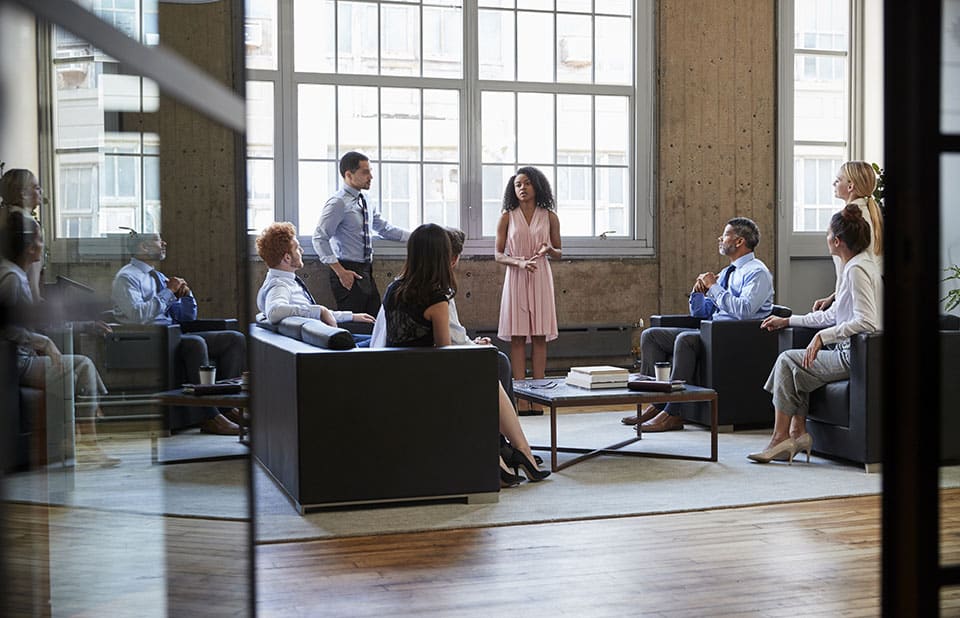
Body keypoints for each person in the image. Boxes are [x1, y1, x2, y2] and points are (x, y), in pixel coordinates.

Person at [383, 223, 549, 485]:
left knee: (486, 372)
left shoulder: (393, 290)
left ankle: (510, 455)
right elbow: (446, 354)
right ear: (441, 255)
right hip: (426, 381)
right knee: (486, 376)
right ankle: (516, 453)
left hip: (400, 375)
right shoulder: (436, 297)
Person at [750, 204, 882, 463]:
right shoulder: (856, 265)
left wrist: (824, 336)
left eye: (827, 234)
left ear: (837, 241)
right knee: (795, 367)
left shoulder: (856, 270)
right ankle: (797, 433)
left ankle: (781, 439)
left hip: (854, 355)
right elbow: (833, 316)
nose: (826, 239)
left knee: (788, 360)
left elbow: (868, 322)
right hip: (850, 350)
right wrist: (788, 321)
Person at [624, 216, 774, 432]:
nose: (720, 239)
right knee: (651, 335)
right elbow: (703, 313)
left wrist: (713, 287)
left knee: (686, 339)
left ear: (739, 241)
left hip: (734, 337)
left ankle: (673, 414)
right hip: (712, 331)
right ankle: (657, 404)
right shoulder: (727, 273)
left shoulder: (757, 272)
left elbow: (744, 311)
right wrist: (698, 293)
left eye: (725, 235)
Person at [0, 210, 118, 467]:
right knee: (77, 370)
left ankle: (86, 431)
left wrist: (86, 324)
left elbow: (42, 321)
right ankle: (86, 437)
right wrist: (44, 343)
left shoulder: (18, 274)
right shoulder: (10, 278)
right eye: (41, 239)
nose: (44, 246)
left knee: (82, 365)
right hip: (15, 363)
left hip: (25, 358)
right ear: (30, 246)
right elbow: (7, 327)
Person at [111, 231, 244, 435]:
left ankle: (226, 408)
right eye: (157, 240)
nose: (164, 243)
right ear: (143, 247)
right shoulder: (126, 277)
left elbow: (186, 319)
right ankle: (209, 417)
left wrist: (187, 295)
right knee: (195, 343)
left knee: (234, 339)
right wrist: (168, 292)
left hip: (174, 335)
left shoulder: (160, 277)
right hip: (149, 340)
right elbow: (138, 316)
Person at [312, 151, 410, 328]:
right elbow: (319, 238)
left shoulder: (366, 199)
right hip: (347, 270)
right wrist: (341, 272)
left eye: (370, 171)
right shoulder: (338, 203)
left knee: (375, 323)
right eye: (365, 172)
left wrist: (415, 237)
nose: (371, 176)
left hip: (366, 271)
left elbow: (383, 228)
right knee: (354, 326)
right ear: (348, 175)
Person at [495, 166, 561, 415]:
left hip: (541, 274)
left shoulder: (550, 216)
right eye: (518, 185)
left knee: (541, 335)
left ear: (537, 186)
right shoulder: (507, 216)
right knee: (519, 336)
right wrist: (520, 262)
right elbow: (498, 254)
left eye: (527, 184)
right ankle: (521, 398)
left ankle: (540, 397)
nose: (522, 189)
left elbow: (559, 251)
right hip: (517, 275)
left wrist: (549, 250)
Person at [255, 222, 375, 340]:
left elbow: (312, 312)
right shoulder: (279, 285)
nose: (301, 251)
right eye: (297, 248)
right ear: (287, 257)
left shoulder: (282, 281)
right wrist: (320, 310)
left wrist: (352, 316)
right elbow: (274, 312)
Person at [812, 161, 884, 311]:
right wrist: (834, 296)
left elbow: (851, 269)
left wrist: (837, 303)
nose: (834, 183)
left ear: (850, 186)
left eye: (838, 180)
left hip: (857, 304)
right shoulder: (869, 213)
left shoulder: (850, 220)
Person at [0, 168, 44, 302]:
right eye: (36, 188)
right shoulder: (30, 227)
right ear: (24, 194)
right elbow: (32, 281)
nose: (41, 191)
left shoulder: (5, 218)